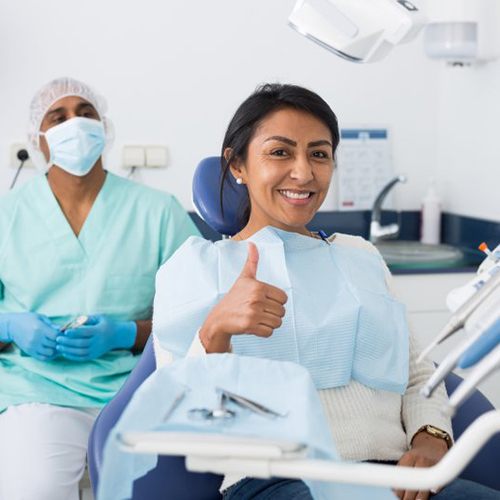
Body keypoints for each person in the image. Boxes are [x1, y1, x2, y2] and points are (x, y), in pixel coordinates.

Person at [152, 84, 500, 499]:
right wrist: (215, 334)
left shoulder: (360, 256)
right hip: (274, 482)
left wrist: (430, 440)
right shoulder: (195, 269)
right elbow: (179, 414)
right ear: (237, 165)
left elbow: (417, 371)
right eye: (280, 152)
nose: (303, 172)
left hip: (396, 478)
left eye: (318, 154)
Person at [0, 77, 200, 500]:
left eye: (86, 113)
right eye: (58, 116)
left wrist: (127, 334)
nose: (75, 123)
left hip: (138, 386)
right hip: (39, 390)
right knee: (34, 487)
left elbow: (199, 317)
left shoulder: (157, 212)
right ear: (39, 139)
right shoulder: (7, 215)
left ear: (103, 127)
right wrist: (10, 328)